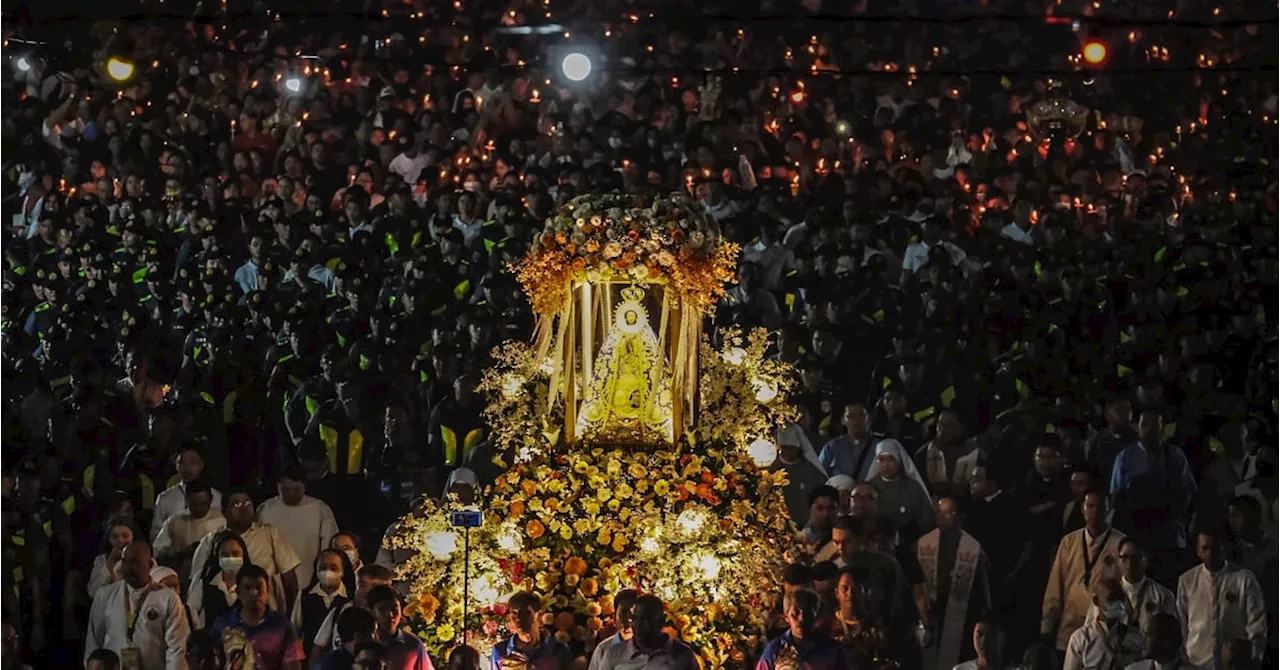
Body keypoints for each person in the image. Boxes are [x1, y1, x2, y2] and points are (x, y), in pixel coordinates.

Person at [188, 488, 301, 617]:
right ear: (224, 512)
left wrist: (291, 615)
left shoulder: (269, 533)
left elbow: (289, 576)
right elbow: (197, 582)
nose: (244, 508)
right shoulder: (211, 541)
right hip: (219, 613)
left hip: (265, 615)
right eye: (237, 504)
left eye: (248, 503)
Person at [1042, 489, 1127, 654]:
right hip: (1068, 630)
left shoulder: (1120, 543)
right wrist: (1047, 626)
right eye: (1090, 506)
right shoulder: (1069, 542)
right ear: (1083, 509)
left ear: (1109, 510)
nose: (1095, 512)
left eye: (1101, 507)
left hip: (1103, 633)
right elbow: (1055, 588)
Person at [85, 541, 189, 669]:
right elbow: (94, 642)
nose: (128, 568)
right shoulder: (105, 595)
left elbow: (176, 649)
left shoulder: (168, 598)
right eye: (124, 561)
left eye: (135, 563)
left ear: (150, 565)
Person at [916, 494, 991, 670]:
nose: (941, 517)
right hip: (930, 611)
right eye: (939, 513)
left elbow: (983, 583)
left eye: (948, 513)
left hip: (961, 613)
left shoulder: (972, 547)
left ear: (959, 516)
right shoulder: (924, 543)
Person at [1177, 527, 1267, 668]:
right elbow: (1182, 622)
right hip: (1196, 663)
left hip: (1235, 664)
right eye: (1205, 548)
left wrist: (1255, 656)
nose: (1210, 553)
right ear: (1198, 551)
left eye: (1215, 548)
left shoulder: (1244, 579)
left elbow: (1256, 623)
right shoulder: (1187, 580)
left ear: (1224, 548)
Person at [211, 564, 306, 670]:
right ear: (238, 592)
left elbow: (294, 663)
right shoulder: (222, 624)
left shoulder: (281, 625)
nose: (254, 593)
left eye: (259, 587)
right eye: (247, 588)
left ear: (268, 590)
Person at [309, 564, 395, 665]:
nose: (367, 592)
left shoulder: (391, 619)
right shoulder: (339, 612)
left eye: (375, 588)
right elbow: (318, 648)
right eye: (363, 585)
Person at [153, 478, 226, 584]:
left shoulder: (222, 521)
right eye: (194, 504)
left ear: (210, 500)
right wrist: (180, 554)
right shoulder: (174, 522)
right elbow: (158, 551)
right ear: (186, 501)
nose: (199, 509)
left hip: (214, 579)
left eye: (203, 504)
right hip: (182, 578)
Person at [595, 595, 696, 670]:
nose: (638, 625)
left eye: (646, 620)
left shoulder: (683, 655)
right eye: (635, 618)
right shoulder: (614, 653)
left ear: (662, 621)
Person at [1063, 578, 1144, 670]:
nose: (1118, 603)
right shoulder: (1080, 639)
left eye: (1121, 598)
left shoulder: (1136, 637)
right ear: (1096, 601)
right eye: (1111, 599)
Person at [864, 439, 935, 544]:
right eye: (881, 459)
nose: (885, 465)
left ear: (899, 460)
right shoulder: (868, 488)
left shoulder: (914, 488)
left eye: (890, 459)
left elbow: (926, 523)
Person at [756, 587, 847, 670]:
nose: (802, 619)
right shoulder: (775, 649)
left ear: (816, 615)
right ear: (786, 617)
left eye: (808, 613)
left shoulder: (832, 649)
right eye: (795, 614)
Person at [150, 445, 222, 541]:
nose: (187, 467)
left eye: (193, 462)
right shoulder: (165, 498)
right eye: (182, 462)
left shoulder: (217, 497)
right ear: (176, 466)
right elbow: (156, 534)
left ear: (202, 465)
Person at [188, 530, 258, 628]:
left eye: (235, 553)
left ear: (243, 555)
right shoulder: (204, 581)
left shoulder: (254, 582)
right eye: (224, 554)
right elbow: (190, 612)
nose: (230, 558)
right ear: (217, 557)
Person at [491, 591, 572, 670]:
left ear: (539, 615)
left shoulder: (559, 650)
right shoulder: (500, 651)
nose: (519, 618)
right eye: (514, 613)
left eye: (526, 612)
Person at [291, 549, 354, 649]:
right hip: (308, 653)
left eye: (334, 568)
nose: (327, 572)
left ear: (342, 571)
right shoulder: (305, 596)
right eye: (323, 568)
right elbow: (294, 630)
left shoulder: (351, 598)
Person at [367, 585, 433, 669]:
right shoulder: (364, 642)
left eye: (395, 609)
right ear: (372, 612)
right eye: (382, 609)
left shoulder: (412, 644)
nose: (390, 615)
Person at [87, 516, 142, 598]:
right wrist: (110, 562)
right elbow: (93, 593)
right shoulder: (101, 560)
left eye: (125, 536)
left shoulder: (144, 558)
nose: (120, 540)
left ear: (133, 536)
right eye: (115, 537)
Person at [819, 404, 876, 480]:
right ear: (843, 420)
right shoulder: (832, 447)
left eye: (861, 416)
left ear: (868, 418)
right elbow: (819, 475)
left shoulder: (880, 446)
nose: (856, 420)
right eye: (851, 416)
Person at [588, 589, 637, 670]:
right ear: (614, 618)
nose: (629, 619)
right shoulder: (603, 649)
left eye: (633, 614)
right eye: (624, 612)